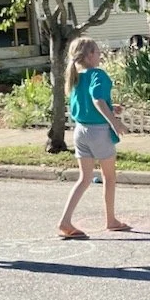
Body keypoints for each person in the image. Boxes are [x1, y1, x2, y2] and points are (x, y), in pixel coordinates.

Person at [57, 36, 129, 238]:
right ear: (89, 56)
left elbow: (88, 103)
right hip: (99, 132)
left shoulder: (76, 77)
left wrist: (110, 107)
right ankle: (111, 220)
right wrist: (115, 122)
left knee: (84, 178)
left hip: (80, 131)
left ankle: (65, 221)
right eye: (97, 51)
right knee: (109, 177)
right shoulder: (98, 74)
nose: (100, 54)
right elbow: (97, 99)